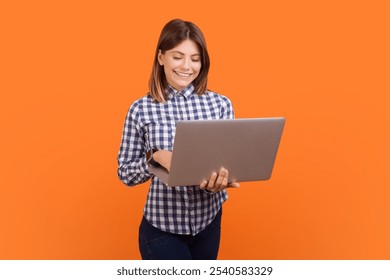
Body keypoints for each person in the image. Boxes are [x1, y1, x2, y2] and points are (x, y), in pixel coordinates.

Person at [117, 19, 239, 260]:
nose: (186, 66)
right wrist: (156, 158)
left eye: (195, 59)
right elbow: (125, 173)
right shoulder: (140, 109)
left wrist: (221, 180)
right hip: (162, 231)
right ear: (161, 57)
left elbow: (226, 160)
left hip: (209, 223)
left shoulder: (220, 105)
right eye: (178, 56)